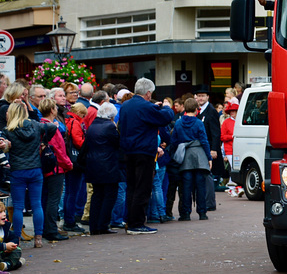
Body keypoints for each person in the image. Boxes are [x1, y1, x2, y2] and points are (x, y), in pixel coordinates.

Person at [118, 78, 174, 235]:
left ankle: (130, 221)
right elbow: (165, 118)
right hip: (144, 152)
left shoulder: (126, 105)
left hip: (128, 151)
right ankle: (137, 223)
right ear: (148, 93)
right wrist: (167, 108)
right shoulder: (146, 106)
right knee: (143, 188)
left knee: (132, 187)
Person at [2, 102, 57, 248]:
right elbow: (51, 127)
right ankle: (38, 238)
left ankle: (17, 239)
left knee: (19, 206)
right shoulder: (35, 126)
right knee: (37, 204)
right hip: (35, 169)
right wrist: (43, 141)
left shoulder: (9, 130)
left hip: (17, 170)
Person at [84, 103, 124, 235]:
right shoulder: (110, 127)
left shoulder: (92, 126)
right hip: (108, 165)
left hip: (93, 165)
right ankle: (103, 224)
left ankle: (94, 226)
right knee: (109, 195)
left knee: (97, 195)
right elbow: (118, 143)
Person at [170, 98, 212, 221]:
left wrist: (174, 156)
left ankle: (186, 213)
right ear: (196, 109)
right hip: (199, 155)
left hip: (185, 155)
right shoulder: (199, 123)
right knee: (200, 186)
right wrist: (209, 157)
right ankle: (202, 213)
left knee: (186, 187)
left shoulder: (178, 123)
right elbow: (204, 141)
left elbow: (174, 141)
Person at [39, 98, 73, 242]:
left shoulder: (42, 125)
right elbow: (58, 149)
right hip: (55, 168)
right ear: (52, 110)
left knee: (47, 199)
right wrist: (68, 164)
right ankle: (51, 230)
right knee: (53, 199)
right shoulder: (51, 127)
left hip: (49, 167)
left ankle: (47, 228)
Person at [194, 85, 222, 208]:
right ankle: (204, 202)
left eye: (203, 96)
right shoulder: (197, 111)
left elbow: (216, 133)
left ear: (207, 97)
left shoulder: (211, 112)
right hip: (200, 148)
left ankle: (209, 203)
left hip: (209, 148)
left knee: (208, 176)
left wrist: (214, 149)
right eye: (199, 96)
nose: (200, 98)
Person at [62, 103, 88, 233]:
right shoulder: (76, 122)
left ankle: (68, 219)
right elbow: (78, 142)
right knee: (73, 192)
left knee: (69, 192)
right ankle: (70, 220)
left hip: (68, 159)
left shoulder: (67, 120)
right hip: (75, 160)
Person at [0, 200, 25, 274]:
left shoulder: (4, 227)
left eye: (4, 211)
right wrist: (4, 246)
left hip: (3, 253)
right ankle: (12, 264)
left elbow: (14, 237)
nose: (4, 214)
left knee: (17, 250)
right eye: (0, 212)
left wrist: (11, 245)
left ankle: (5, 264)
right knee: (19, 261)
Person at [220, 102, 238, 172]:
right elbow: (222, 137)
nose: (232, 113)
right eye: (231, 111)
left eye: (234, 111)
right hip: (229, 149)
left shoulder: (242, 121)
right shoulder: (226, 122)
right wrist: (232, 136)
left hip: (239, 149)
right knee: (233, 169)